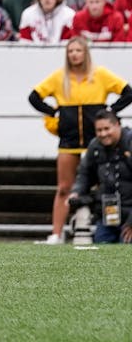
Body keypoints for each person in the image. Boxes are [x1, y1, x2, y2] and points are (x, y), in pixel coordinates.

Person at [29, 37, 132, 243]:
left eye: (78, 50)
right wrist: (53, 112)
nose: (74, 54)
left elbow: (128, 92)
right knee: (64, 188)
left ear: (85, 53)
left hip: (97, 140)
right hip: (69, 140)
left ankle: (95, 229)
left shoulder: (100, 74)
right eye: (70, 51)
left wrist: (110, 111)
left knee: (102, 184)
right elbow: (34, 97)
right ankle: (56, 234)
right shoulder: (60, 77)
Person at [68, 111, 132, 244]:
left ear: (118, 125)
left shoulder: (130, 143)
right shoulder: (95, 145)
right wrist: (77, 192)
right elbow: (84, 173)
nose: (103, 134)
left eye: (107, 129)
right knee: (101, 250)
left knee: (125, 252)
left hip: (130, 212)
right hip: (108, 212)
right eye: (99, 130)